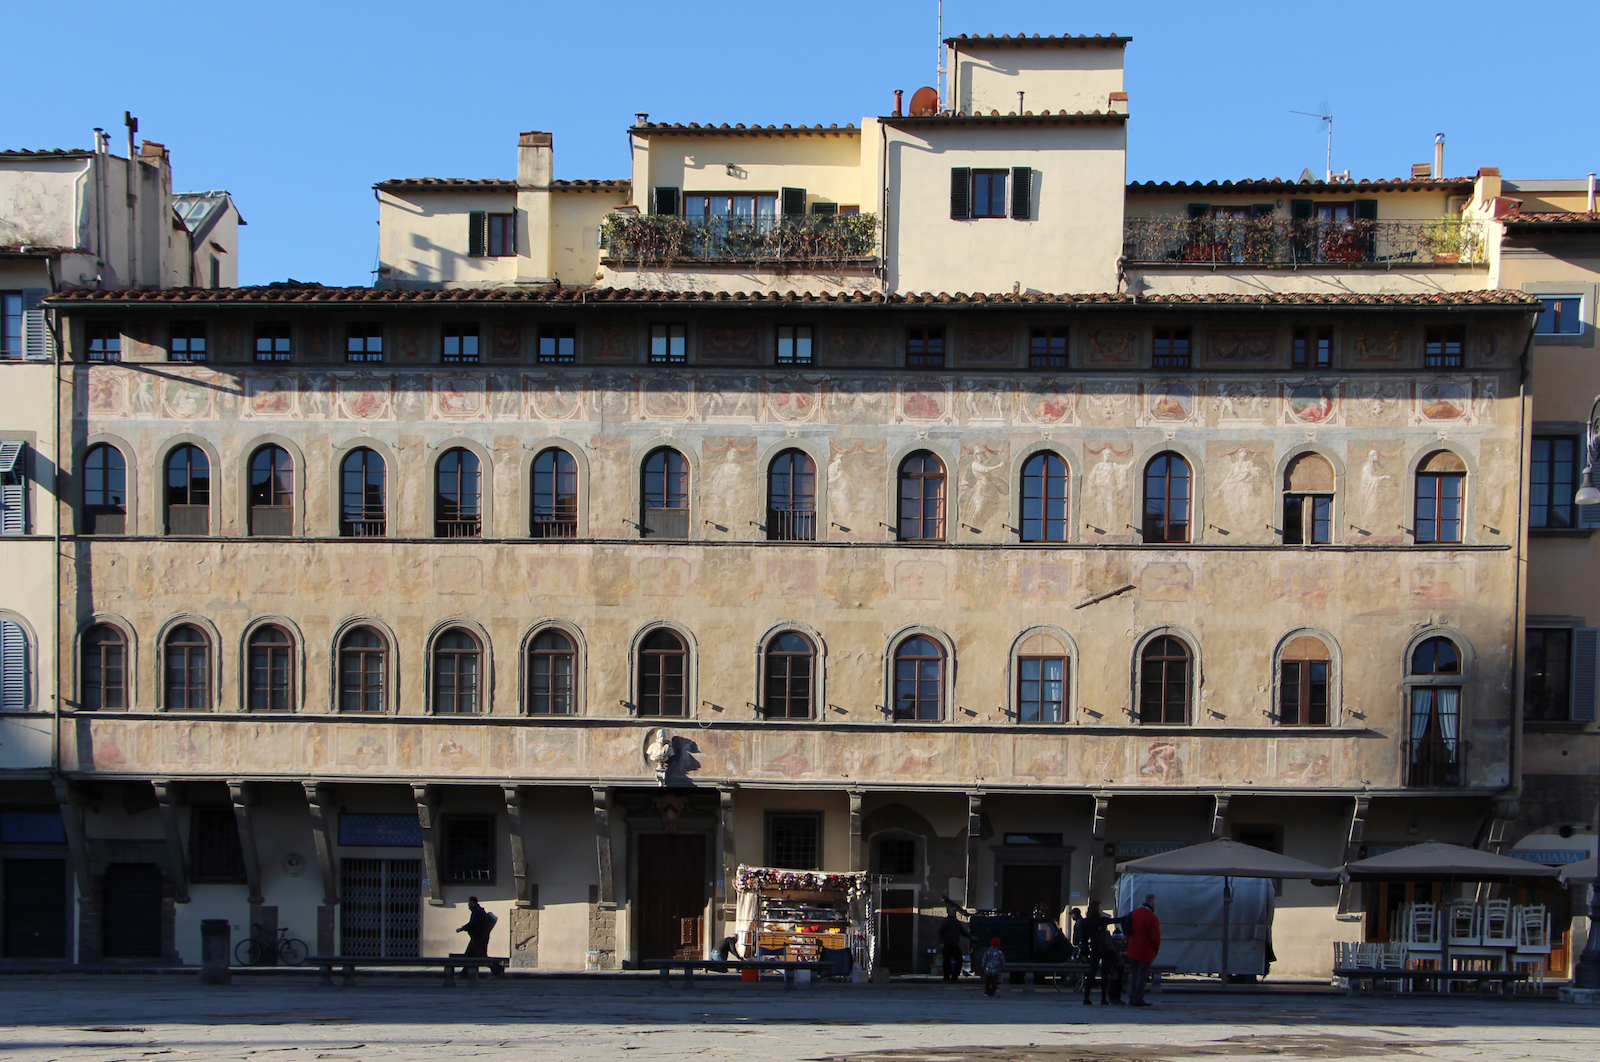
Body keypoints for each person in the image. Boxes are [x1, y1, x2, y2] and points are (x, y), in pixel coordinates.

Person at [1076, 899, 1116, 1005]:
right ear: (1098, 909)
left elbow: (1083, 939)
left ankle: (1086, 997)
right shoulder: (1101, 920)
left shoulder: (1085, 922)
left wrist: (1085, 951)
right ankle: (1103, 998)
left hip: (1093, 949)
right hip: (1104, 949)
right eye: (1100, 908)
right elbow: (1117, 920)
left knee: (1091, 973)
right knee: (1104, 974)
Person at [1126, 893, 1162, 1007]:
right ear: (1153, 903)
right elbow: (1155, 938)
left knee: (1134, 975)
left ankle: (1132, 997)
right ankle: (1138, 998)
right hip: (1146, 951)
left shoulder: (1134, 914)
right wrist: (1155, 950)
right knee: (1142, 976)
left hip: (1132, 950)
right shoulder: (1152, 918)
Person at [938, 904, 971, 982]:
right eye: (953, 911)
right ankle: (946, 977)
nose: (955, 912)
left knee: (959, 960)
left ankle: (954, 976)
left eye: (955, 911)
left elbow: (962, 931)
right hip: (947, 944)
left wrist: (970, 937)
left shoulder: (956, 922)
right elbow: (940, 931)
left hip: (955, 944)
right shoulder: (946, 921)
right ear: (949, 912)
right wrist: (941, 942)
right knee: (947, 961)